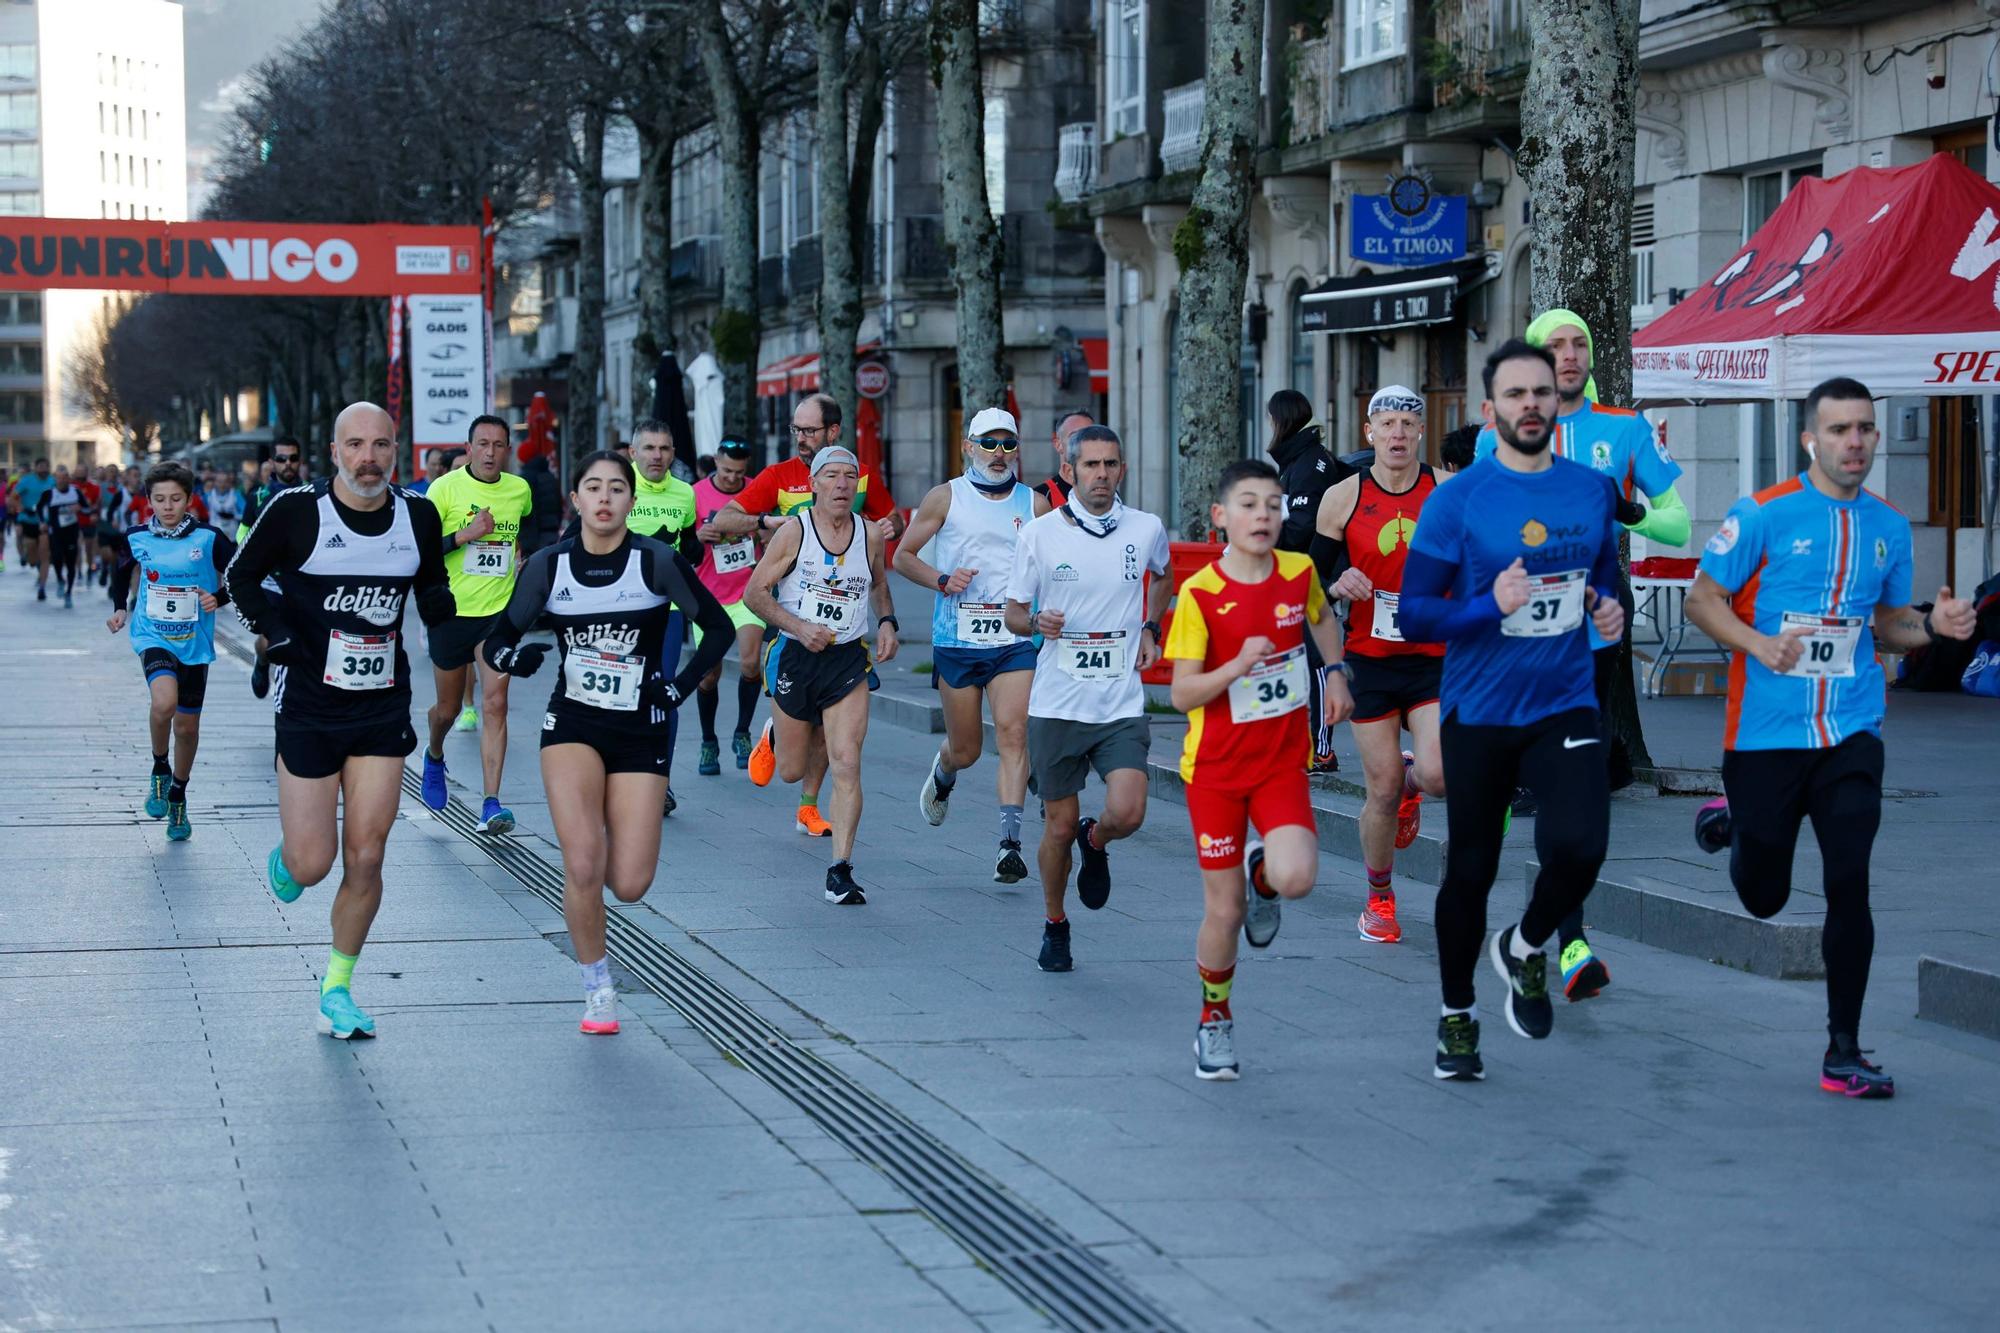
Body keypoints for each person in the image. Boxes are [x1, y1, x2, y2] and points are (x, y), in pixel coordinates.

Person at [1684, 377, 1975, 1100]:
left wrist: (1933, 629)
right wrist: (1758, 642)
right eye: (1840, 429)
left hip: (1851, 729)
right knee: (1763, 896)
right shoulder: (1763, 515)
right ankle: (1738, 828)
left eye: (1865, 430)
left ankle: (1844, 1047)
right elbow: (1701, 599)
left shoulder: (1889, 525)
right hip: (1765, 735)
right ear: (1811, 438)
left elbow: (1889, 624)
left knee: (1850, 879)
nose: (1855, 442)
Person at [1397, 340, 1624, 1082]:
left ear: (1559, 401)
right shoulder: (1457, 500)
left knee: (1582, 846)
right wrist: (1485, 607)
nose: (1531, 403)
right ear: (1489, 408)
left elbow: (1602, 572)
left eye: (1543, 391)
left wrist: (1608, 606)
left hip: (1565, 699)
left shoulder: (1590, 489)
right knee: (1472, 867)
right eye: (1516, 393)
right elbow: (1417, 614)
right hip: (1481, 709)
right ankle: (1456, 1014)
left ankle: (1525, 944)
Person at [1473, 308, 1692, 998]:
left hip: (1592, 625)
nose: (1568, 356)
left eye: (1579, 344)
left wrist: (1629, 512)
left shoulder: (1623, 428)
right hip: (1513, 628)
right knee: (1505, 777)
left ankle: (1570, 940)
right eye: (1554, 345)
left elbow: (1679, 522)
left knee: (1573, 786)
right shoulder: (1497, 433)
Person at [224, 401, 454, 1040]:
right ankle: (290, 860)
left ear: (395, 450)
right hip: (309, 707)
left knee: (369, 854)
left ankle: (338, 987)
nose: (369, 458)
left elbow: (431, 588)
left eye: (381, 445)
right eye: (356, 445)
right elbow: (240, 578)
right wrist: (276, 633)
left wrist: (447, 612)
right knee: (312, 863)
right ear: (334, 452)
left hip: (380, 707)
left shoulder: (419, 515)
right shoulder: (297, 511)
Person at [482, 451, 731, 1033]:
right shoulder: (549, 566)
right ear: (575, 499)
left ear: (630, 500)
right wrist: (516, 661)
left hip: (640, 728)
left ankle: (619, 820)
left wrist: (680, 689)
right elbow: (496, 643)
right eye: (592, 487)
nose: (604, 498)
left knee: (630, 883)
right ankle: (598, 990)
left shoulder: (657, 562)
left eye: (616, 489)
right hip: (572, 724)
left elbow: (717, 628)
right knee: (583, 862)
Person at [1167, 459, 1352, 1080]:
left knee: (1297, 878)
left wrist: (1337, 674)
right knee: (1223, 913)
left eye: (1274, 505)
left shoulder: (1298, 572)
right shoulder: (1200, 595)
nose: (1264, 516)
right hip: (1215, 772)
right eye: (1249, 505)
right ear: (1221, 517)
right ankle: (1213, 1019)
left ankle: (1264, 876)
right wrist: (1236, 667)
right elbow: (1183, 695)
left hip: (1279, 767)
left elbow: (1323, 620)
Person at [1003, 425, 1171, 971]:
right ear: (1070, 471)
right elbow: (1013, 614)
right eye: (1092, 465)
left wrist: (1150, 626)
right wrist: (1036, 622)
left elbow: (1163, 576)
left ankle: (1095, 841)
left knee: (1129, 811)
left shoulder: (1145, 528)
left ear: (1122, 470)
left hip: (1119, 703)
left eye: (1111, 464)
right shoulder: (1040, 533)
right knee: (1055, 827)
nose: (1102, 474)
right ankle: (1056, 924)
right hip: (1056, 705)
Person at [710, 393, 903, 838]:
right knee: (791, 765)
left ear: (832, 431)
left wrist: (888, 529)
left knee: (838, 744)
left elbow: (888, 519)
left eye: (809, 430)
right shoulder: (779, 476)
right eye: (796, 429)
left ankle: (811, 809)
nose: (800, 438)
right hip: (794, 620)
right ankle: (776, 733)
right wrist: (768, 524)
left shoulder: (860, 476)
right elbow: (725, 518)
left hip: (846, 641)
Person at [1310, 386, 1447, 944]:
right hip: (1369, 659)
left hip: (1434, 658)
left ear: (1420, 433)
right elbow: (1310, 584)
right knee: (1382, 791)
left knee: (1439, 776)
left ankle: (1418, 777)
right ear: (1369, 432)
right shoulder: (1342, 496)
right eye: (1386, 424)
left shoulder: (1446, 491)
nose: (1396, 434)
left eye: (1406, 425)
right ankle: (1379, 898)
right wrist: (1338, 582)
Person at [895, 407, 1048, 884]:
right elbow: (901, 556)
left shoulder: (1035, 504)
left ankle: (1009, 845)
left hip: (1014, 639)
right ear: (968, 446)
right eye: (989, 443)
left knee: (1014, 733)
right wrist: (942, 579)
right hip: (958, 640)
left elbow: (1058, 563)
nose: (999, 454)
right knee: (968, 749)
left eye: (1008, 444)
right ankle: (944, 771)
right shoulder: (946, 497)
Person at [741, 445, 900, 904]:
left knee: (846, 761)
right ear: (813, 484)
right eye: (830, 476)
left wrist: (888, 622)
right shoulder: (794, 532)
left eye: (850, 477)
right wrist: (798, 627)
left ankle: (840, 869)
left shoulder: (869, 533)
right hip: (796, 655)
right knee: (791, 771)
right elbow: (755, 593)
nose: (841, 484)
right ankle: (774, 733)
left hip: (847, 659)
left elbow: (880, 585)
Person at [105, 462, 236, 841]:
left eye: (175, 499)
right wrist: (119, 608)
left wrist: (219, 597)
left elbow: (244, 571)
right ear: (148, 501)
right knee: (164, 704)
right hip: (153, 636)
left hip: (193, 644)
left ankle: (178, 793)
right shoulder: (137, 536)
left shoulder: (209, 539)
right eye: (159, 499)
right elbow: (120, 571)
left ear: (189, 499)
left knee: (188, 726)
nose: (167, 506)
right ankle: (159, 767)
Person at [418, 414, 536, 834]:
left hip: (497, 615)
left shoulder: (519, 490)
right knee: (448, 710)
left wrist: (520, 554)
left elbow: (521, 532)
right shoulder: (443, 490)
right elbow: (422, 550)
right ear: (468, 449)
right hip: (450, 612)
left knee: (495, 704)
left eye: (498, 444)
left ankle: (491, 803)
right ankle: (434, 754)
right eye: (482, 444)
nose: (489, 452)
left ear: (508, 450)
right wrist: (465, 535)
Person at [619, 418, 703, 814]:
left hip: (665, 612)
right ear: (633, 452)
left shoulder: (685, 494)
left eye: (664, 448)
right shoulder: (617, 487)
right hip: (618, 610)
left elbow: (688, 545)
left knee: (664, 693)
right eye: (649, 448)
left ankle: (660, 781)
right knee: (621, 696)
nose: (657, 456)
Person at [1266, 388, 1350, 774]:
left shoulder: (1309, 463)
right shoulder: (1299, 459)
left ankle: (1322, 749)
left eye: (1271, 419)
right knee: (1297, 659)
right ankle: (1306, 744)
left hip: (1312, 574)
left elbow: (1301, 524)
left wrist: (1265, 542)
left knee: (1317, 660)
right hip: (1298, 572)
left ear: (1280, 420)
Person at [689, 437, 767, 774]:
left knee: (751, 664)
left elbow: (770, 531)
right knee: (708, 676)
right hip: (707, 596)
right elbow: (682, 542)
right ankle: (708, 741)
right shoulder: (694, 494)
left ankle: (742, 733)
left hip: (748, 593)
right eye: (726, 470)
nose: (733, 478)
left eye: (739, 472)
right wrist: (697, 537)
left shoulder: (756, 490)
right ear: (715, 463)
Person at [239, 438, 306, 700]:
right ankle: (262, 660)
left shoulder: (314, 492)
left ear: (299, 461)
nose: (287, 464)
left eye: (292, 458)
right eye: (281, 459)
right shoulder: (257, 496)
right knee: (272, 640)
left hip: (304, 578)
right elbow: (242, 534)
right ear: (271, 462)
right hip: (269, 580)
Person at [38, 464, 85, 608]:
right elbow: (39, 508)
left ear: (69, 479)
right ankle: (59, 579)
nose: (62, 480)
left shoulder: (75, 492)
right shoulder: (49, 493)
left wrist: (80, 508)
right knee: (57, 558)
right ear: (55, 478)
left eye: (65, 477)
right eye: (59, 477)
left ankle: (69, 593)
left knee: (71, 563)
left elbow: (88, 507)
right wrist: (42, 522)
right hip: (56, 532)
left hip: (71, 533)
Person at [1038, 409, 1094, 508]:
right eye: (1075, 437)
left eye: (1089, 436)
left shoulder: (1105, 493)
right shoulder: (1040, 497)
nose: (1083, 443)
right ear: (1058, 445)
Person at [14, 456, 51, 595]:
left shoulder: (52, 481)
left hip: (45, 522)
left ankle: (42, 586)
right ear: (35, 468)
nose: (42, 469)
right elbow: (13, 496)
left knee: (43, 551)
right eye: (40, 466)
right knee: (31, 550)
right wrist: (20, 507)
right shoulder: (27, 480)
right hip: (28, 518)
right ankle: (35, 563)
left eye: (45, 466)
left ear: (48, 467)